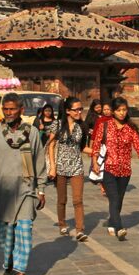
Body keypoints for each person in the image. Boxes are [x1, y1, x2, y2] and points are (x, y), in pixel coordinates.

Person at [0, 92, 47, 275]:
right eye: (5, 109)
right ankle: (8, 262)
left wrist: (41, 189)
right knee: (6, 237)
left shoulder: (32, 133)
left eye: (12, 109)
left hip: (26, 190)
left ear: (21, 110)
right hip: (1, 192)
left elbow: (39, 162)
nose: (8, 113)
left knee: (25, 232)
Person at [90, 97, 139, 239]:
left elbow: (137, 143)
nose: (122, 113)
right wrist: (95, 162)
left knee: (119, 199)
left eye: (124, 110)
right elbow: (96, 146)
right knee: (114, 197)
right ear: (113, 111)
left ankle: (112, 222)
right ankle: (120, 227)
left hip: (125, 169)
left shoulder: (130, 128)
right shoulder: (105, 126)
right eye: (118, 110)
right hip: (109, 167)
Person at [47, 97, 91, 241]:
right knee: (62, 199)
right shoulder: (57, 125)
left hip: (77, 167)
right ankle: (62, 224)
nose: (79, 112)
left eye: (80, 109)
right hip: (60, 167)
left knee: (78, 200)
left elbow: (83, 147)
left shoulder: (82, 127)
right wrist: (52, 167)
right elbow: (51, 145)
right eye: (76, 109)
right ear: (67, 111)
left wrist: (96, 151)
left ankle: (80, 230)